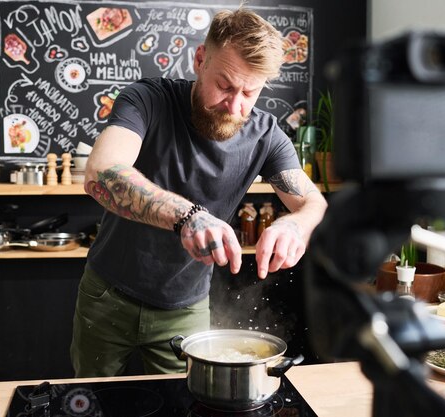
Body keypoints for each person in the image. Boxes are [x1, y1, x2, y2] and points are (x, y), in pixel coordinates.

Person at [70, 7, 328, 377]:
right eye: (225, 85)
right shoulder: (147, 100)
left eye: (249, 92)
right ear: (200, 60)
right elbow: (100, 173)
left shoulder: (266, 135)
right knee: (90, 401)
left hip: (185, 309)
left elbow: (312, 202)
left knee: (186, 404)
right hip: (107, 295)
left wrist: (295, 226)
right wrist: (188, 216)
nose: (236, 106)